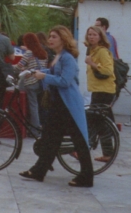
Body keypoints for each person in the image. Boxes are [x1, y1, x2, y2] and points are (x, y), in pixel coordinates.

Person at [19, 26, 95, 187]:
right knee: (50, 138)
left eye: (54, 37)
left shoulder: (67, 58)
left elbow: (64, 81)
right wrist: (37, 71)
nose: (50, 39)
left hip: (69, 105)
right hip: (59, 103)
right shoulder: (59, 56)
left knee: (79, 140)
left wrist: (44, 76)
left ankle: (87, 176)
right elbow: (54, 71)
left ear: (63, 39)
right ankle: (39, 170)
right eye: (50, 36)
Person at [15, 32, 48, 138]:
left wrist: (9, 67)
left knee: (33, 107)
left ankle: (35, 130)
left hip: (31, 82)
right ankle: (40, 127)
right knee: (38, 106)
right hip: (41, 82)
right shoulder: (43, 52)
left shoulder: (29, 52)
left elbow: (18, 67)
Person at [84, 25, 116, 107]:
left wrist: (92, 63)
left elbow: (108, 70)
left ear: (100, 37)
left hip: (104, 90)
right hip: (96, 89)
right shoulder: (91, 51)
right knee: (103, 116)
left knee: (97, 117)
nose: (91, 37)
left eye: (95, 35)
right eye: (89, 34)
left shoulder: (102, 51)